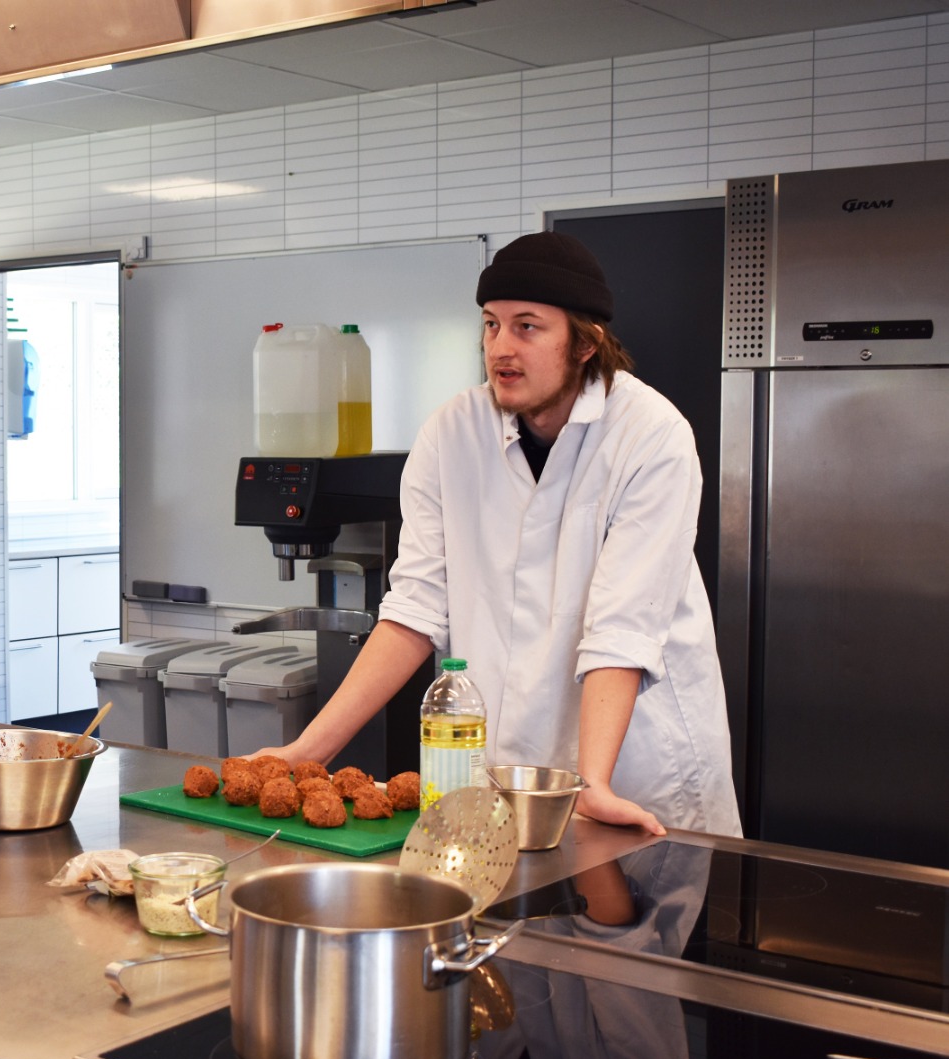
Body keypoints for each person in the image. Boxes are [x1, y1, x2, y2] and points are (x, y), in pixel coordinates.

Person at [263, 231, 741, 837]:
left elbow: (623, 626)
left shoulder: (650, 435)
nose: (500, 348)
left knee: (626, 920)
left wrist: (591, 780)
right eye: (490, 325)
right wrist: (309, 750)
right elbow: (415, 607)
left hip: (635, 773)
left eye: (527, 326)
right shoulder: (451, 433)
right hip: (498, 773)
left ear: (586, 342)